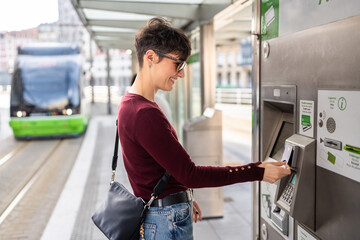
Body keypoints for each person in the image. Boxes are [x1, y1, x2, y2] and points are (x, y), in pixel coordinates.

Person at [117, 17, 291, 240]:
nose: (181, 73)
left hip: (160, 215)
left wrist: (181, 196)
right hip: (164, 221)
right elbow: (191, 174)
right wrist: (259, 171)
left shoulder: (130, 104)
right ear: (151, 57)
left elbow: (156, 170)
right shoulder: (145, 113)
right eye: (177, 64)